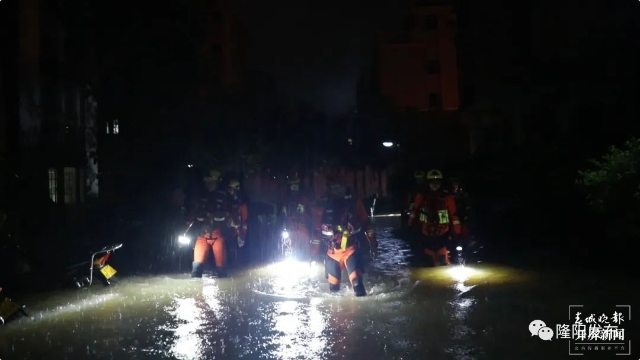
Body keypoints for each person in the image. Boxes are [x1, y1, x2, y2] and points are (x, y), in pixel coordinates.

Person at [322, 183, 377, 296]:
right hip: (332, 252)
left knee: (358, 287)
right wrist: (312, 253)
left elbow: (367, 225)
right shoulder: (324, 205)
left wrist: (373, 244)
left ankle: (361, 312)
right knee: (333, 291)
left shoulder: (354, 203)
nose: (337, 189)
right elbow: (316, 231)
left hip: (350, 250)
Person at [408, 169, 461, 266]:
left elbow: (454, 216)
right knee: (427, 263)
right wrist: (411, 227)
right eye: (432, 182)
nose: (435, 185)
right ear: (428, 183)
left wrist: (457, 233)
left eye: (437, 182)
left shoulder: (447, 197)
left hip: (443, 235)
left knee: (444, 263)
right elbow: (414, 212)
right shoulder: (422, 196)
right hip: (425, 235)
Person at [190, 169, 229, 278]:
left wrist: (211, 216)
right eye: (206, 182)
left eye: (210, 182)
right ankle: (196, 292)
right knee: (196, 269)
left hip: (217, 235)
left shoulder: (222, 196)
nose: (208, 184)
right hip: (203, 235)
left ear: (216, 183)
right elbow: (196, 214)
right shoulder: (202, 196)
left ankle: (224, 291)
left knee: (221, 268)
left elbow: (225, 215)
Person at [280, 175, 312, 258]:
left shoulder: (303, 199)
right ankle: (289, 255)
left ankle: (306, 256)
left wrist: (303, 210)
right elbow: (284, 215)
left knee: (305, 240)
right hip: (291, 226)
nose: (294, 187)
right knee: (288, 241)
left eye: (296, 185)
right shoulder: (287, 200)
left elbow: (308, 214)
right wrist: (285, 224)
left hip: (302, 225)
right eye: (292, 186)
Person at [226, 178, 248, 265]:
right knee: (230, 246)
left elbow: (244, 217)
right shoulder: (229, 200)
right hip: (231, 227)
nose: (230, 191)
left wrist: (242, 231)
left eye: (231, 189)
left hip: (239, 228)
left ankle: (238, 265)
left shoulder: (241, 202)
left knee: (238, 247)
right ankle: (232, 264)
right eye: (229, 189)